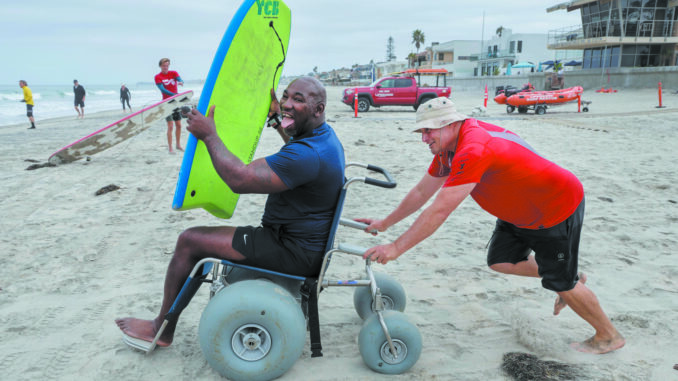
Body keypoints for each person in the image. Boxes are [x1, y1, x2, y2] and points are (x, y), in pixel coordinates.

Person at [357, 97, 625, 355]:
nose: (424, 138)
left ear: (450, 124)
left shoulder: (473, 148)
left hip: (554, 209)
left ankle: (608, 335)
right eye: (421, 131)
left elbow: (439, 209)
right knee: (501, 260)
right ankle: (571, 277)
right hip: (519, 211)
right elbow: (420, 193)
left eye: (428, 130)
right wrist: (385, 223)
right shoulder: (449, 148)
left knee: (561, 282)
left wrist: (395, 248)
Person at [115, 77, 345, 349]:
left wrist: (209, 135)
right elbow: (292, 140)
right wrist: (274, 120)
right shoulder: (322, 137)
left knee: (190, 241)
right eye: (285, 96)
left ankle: (161, 329)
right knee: (200, 239)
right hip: (303, 245)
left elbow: (239, 179)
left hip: (291, 250)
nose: (286, 104)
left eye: (298, 100)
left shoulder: (307, 155)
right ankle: (165, 323)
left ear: (318, 109)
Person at [154, 58, 184, 153]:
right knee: (170, 126)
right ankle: (170, 147)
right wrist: (174, 95)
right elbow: (162, 89)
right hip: (166, 103)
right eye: (164, 65)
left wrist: (181, 82)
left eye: (167, 65)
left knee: (179, 125)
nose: (165, 67)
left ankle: (178, 145)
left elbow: (179, 79)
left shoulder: (174, 73)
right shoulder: (157, 77)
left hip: (176, 102)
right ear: (160, 66)